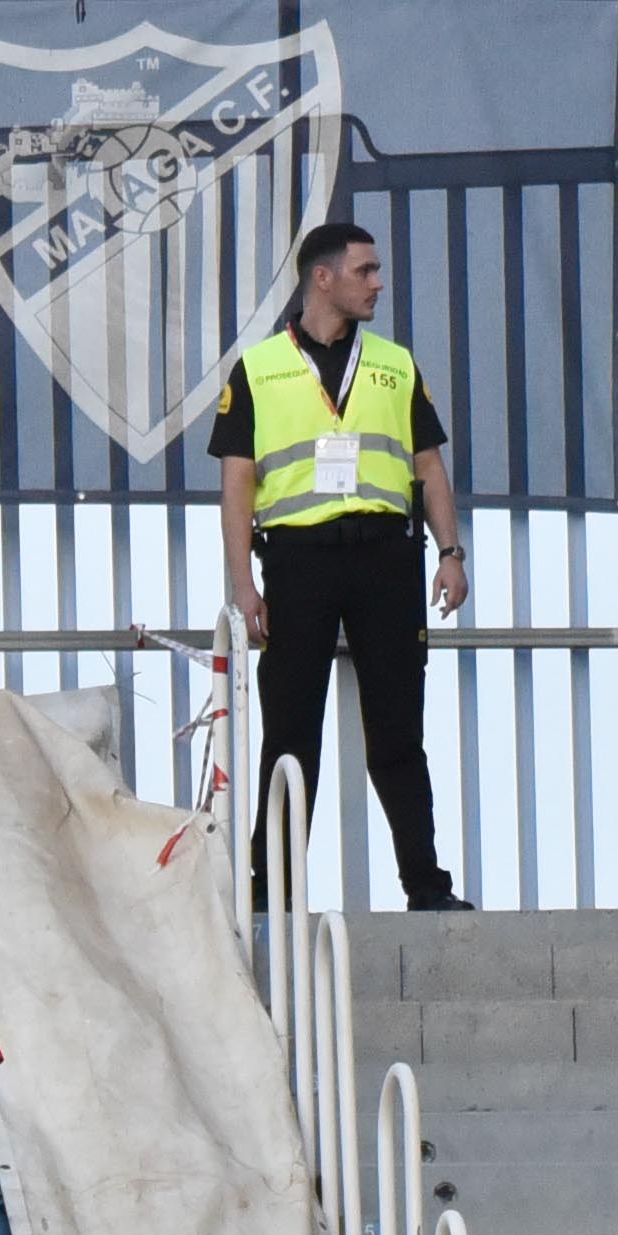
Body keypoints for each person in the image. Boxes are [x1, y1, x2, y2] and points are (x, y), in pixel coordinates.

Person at [224, 213, 471, 913]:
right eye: (365, 271)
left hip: (388, 561)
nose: (378, 283)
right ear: (321, 278)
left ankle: (427, 888)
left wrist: (451, 553)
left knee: (399, 734)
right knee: (290, 734)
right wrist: (244, 585)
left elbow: (429, 467)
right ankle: (270, 894)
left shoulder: (394, 364)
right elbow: (238, 484)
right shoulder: (259, 367)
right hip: (298, 564)